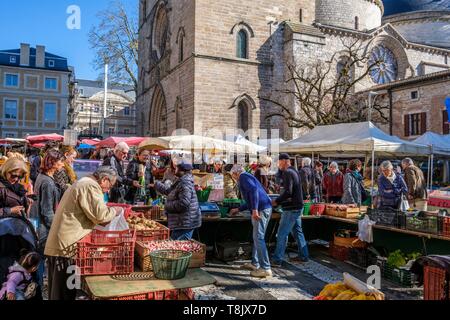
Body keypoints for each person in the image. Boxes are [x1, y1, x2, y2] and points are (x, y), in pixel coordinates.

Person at [44, 167, 121, 300]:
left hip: (63, 245)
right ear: (104, 180)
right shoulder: (90, 186)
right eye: (110, 186)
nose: (108, 190)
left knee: (60, 291)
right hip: (66, 248)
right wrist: (116, 210)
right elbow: (101, 216)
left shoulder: (84, 182)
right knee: (63, 292)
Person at [29, 150, 64, 289]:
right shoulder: (47, 182)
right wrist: (56, 228)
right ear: (53, 163)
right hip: (42, 226)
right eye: (60, 161)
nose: (63, 164)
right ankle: (37, 288)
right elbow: (47, 211)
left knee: (38, 258)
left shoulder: (42, 177)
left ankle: (36, 285)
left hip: (37, 221)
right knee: (40, 258)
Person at [230, 165, 273, 278]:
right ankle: (255, 263)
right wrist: (238, 209)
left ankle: (265, 268)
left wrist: (254, 209)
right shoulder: (247, 176)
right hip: (263, 208)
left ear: (236, 173)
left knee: (259, 237)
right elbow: (250, 197)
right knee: (257, 237)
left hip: (261, 209)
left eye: (232, 175)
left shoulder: (243, 177)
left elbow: (253, 190)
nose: (233, 178)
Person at [271, 153, 309, 267]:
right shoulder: (294, 171)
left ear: (284, 161)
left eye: (278, 162)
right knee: (298, 232)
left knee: (282, 234)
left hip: (291, 208)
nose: (278, 165)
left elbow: (288, 192)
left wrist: (276, 201)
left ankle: (277, 260)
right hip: (297, 207)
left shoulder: (288, 172)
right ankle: (304, 256)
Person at [154, 162, 201, 240]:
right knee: (175, 246)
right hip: (182, 222)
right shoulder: (181, 181)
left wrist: (167, 206)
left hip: (185, 223)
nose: (174, 170)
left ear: (182, 171)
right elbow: (169, 191)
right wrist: (156, 184)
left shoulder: (185, 183)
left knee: (178, 248)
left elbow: (183, 203)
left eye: (176, 168)